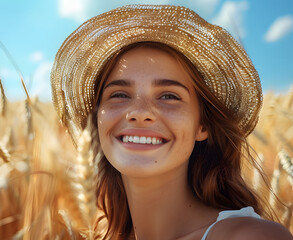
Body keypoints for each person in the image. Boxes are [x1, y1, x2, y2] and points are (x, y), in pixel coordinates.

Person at [51, 4, 293, 240]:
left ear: (203, 126)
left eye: (169, 96)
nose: (139, 112)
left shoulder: (251, 236)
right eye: (119, 95)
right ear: (97, 121)